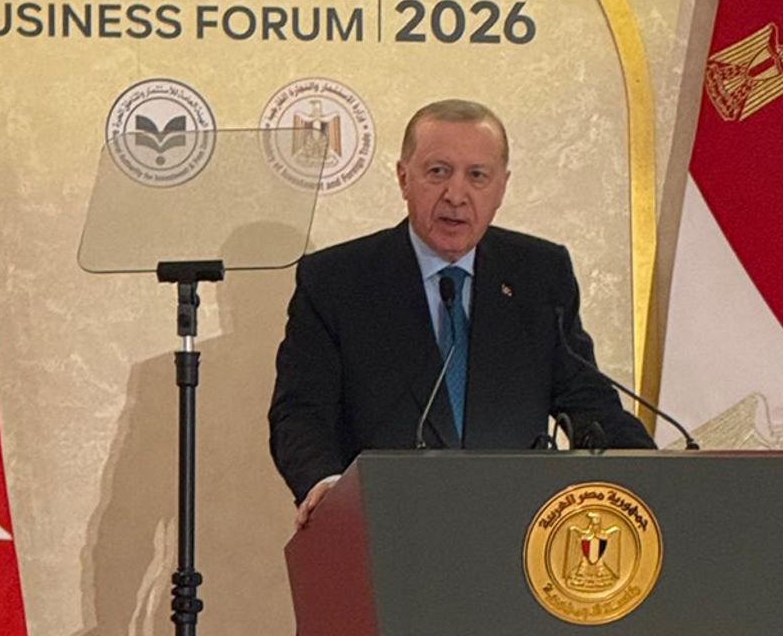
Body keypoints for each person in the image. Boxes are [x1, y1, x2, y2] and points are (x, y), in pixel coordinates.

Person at [268, 99, 656, 527]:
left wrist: (655, 476)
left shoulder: (539, 274)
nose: (456, 195)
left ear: (501, 187)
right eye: (438, 172)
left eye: (477, 176)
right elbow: (300, 414)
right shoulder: (337, 280)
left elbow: (588, 402)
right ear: (403, 178)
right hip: (384, 528)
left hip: (516, 530)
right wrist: (326, 484)